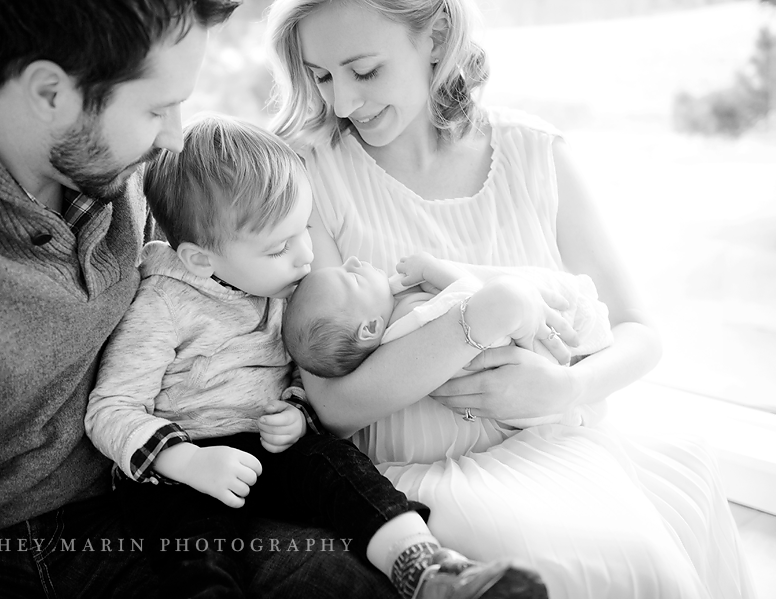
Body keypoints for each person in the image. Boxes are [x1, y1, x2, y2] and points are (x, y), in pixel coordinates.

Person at [0, 2, 405, 598]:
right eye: (158, 108)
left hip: (131, 516)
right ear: (51, 93)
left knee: (342, 584)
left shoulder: (124, 172)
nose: (174, 136)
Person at [264, 0, 758, 597]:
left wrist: (564, 388)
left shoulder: (534, 153)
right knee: (574, 567)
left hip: (559, 446)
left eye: (364, 71)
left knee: (652, 549)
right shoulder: (311, 172)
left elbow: (640, 332)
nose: (342, 102)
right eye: (321, 76)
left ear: (438, 36)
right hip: (419, 481)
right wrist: (477, 319)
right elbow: (334, 408)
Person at [86, 113, 548, 599]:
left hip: (269, 450)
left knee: (340, 471)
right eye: (280, 246)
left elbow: (314, 377)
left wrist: (296, 414)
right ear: (202, 259)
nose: (306, 255)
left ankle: (426, 568)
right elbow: (110, 410)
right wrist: (186, 461)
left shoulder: (285, 290)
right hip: (183, 471)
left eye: (304, 228)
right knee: (190, 550)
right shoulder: (163, 304)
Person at [282, 251, 613, 429]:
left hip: (531, 388)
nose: (353, 260)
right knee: (579, 320)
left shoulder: (387, 341)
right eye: (351, 276)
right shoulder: (411, 314)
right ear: (369, 328)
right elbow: (475, 299)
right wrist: (433, 269)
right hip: (526, 362)